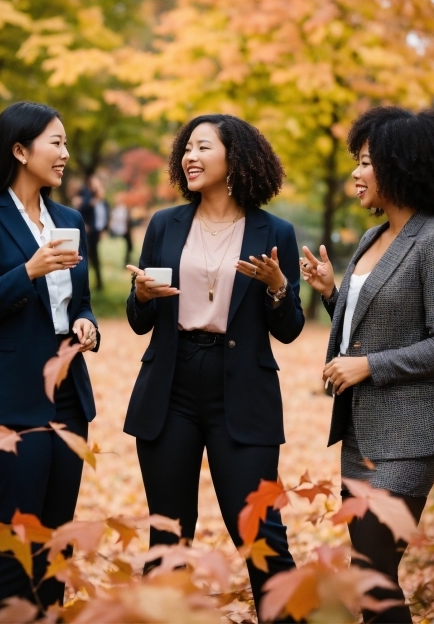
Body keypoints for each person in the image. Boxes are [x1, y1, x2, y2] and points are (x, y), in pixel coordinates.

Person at [301, 106, 434, 624]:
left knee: (374, 577)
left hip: (408, 436)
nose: (356, 174)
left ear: (401, 165)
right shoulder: (370, 240)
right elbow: (369, 327)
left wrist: (369, 366)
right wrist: (333, 293)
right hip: (360, 435)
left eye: (365, 162)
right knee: (367, 577)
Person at [125, 114, 304, 620]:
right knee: (168, 533)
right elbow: (139, 319)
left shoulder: (275, 232)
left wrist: (277, 287)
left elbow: (289, 328)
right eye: (186, 148)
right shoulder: (164, 224)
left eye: (202, 147)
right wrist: (139, 295)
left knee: (258, 529)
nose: (189, 156)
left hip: (242, 388)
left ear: (235, 158)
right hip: (171, 384)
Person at [0, 102, 100, 622]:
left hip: (67, 394)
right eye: (55, 142)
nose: (65, 153)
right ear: (19, 149)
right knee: (17, 531)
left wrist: (87, 324)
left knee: (56, 539)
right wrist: (27, 272)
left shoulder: (69, 219)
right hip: (5, 394)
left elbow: (78, 299)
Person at [74, 173, 110, 290]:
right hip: (87, 231)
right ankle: (83, 283)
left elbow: (105, 217)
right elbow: (81, 209)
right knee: (84, 257)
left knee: (94, 257)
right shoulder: (86, 196)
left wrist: (103, 230)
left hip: (96, 232)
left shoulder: (103, 202)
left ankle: (99, 283)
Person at [108, 199, 133, 267]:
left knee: (128, 247)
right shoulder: (116, 211)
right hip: (118, 231)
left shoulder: (124, 210)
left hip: (124, 231)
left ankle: (126, 261)